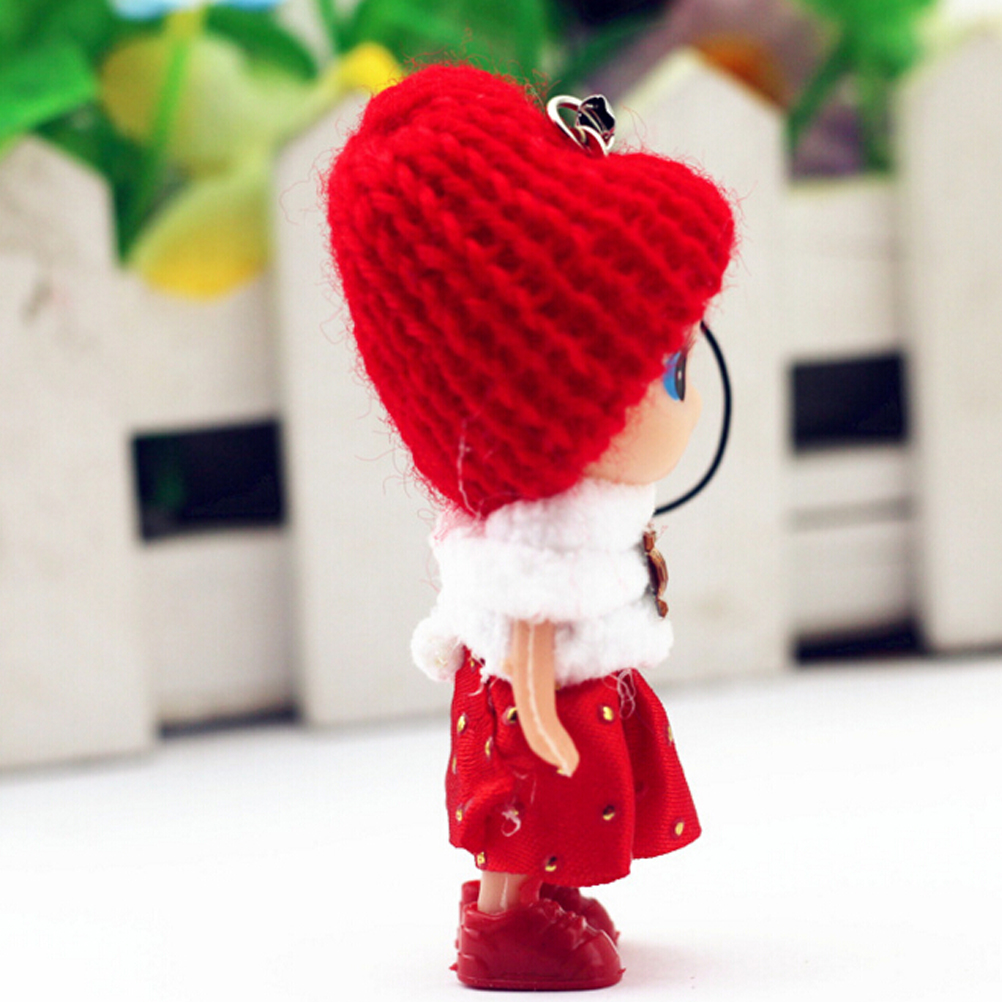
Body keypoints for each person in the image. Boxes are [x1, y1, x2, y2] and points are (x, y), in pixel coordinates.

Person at [326, 62, 735, 990]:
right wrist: (544, 729)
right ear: (555, 415)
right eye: (665, 374)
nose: (688, 398)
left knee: (562, 815)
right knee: (527, 808)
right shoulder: (534, 555)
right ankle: (505, 917)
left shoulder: (587, 518)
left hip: (575, 695)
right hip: (532, 713)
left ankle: (543, 894)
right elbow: (530, 637)